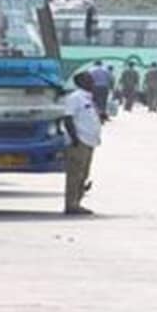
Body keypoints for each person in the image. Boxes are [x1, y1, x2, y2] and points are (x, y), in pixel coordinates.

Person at [62, 70, 102, 215]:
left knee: (83, 174)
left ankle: (77, 202)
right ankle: (71, 204)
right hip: (79, 142)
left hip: (89, 141)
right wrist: (74, 139)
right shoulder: (75, 98)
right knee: (75, 175)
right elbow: (68, 119)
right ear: (81, 82)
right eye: (89, 80)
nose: (93, 82)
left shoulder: (88, 98)